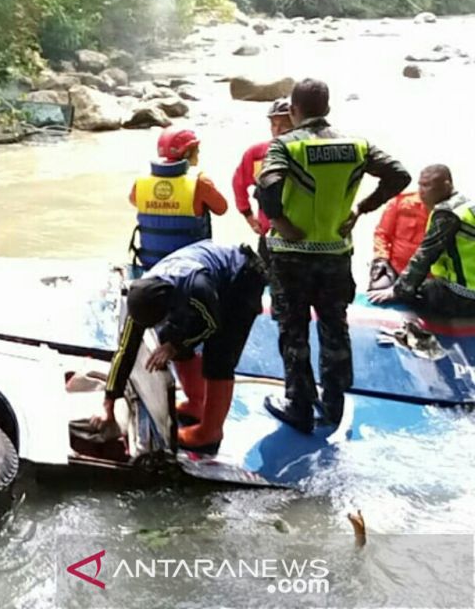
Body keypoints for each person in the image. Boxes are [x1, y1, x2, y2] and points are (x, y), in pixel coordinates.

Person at [258, 78, 410, 432]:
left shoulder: (285, 146)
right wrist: (361, 208)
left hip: (291, 255)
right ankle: (334, 404)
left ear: (293, 111)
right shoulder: (358, 146)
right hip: (335, 254)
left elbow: (267, 188)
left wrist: (280, 222)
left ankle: (299, 404)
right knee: (334, 325)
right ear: (327, 109)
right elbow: (399, 175)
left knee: (293, 328)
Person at [91, 241, 267, 452]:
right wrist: (108, 403)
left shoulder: (196, 288)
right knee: (168, 337)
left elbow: (211, 324)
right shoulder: (142, 294)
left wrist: (175, 346)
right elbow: (125, 351)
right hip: (198, 284)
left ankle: (210, 433)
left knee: (219, 354)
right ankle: (196, 403)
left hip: (241, 276)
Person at [370, 165, 475, 317]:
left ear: (446, 185)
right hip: (462, 286)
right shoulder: (466, 205)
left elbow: (425, 255)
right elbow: (381, 234)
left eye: (427, 185)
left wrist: (398, 291)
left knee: (403, 295)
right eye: (420, 184)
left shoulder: (446, 214)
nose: (421, 190)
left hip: (463, 294)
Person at [129, 128, 228, 269]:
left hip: (150, 264)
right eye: (196, 149)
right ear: (187, 152)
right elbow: (222, 209)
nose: (199, 153)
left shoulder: (141, 183)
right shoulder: (199, 182)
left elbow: (134, 201)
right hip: (189, 267)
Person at [232, 98, 293, 245]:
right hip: (269, 235)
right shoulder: (256, 154)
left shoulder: (303, 153)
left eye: (284, 125)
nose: (277, 130)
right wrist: (249, 216)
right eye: (273, 124)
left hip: (302, 235)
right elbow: (238, 183)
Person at [368, 188, 428, 290]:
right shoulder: (400, 201)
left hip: (427, 274)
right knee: (377, 288)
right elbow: (382, 234)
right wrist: (381, 258)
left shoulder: (447, 211)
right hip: (395, 267)